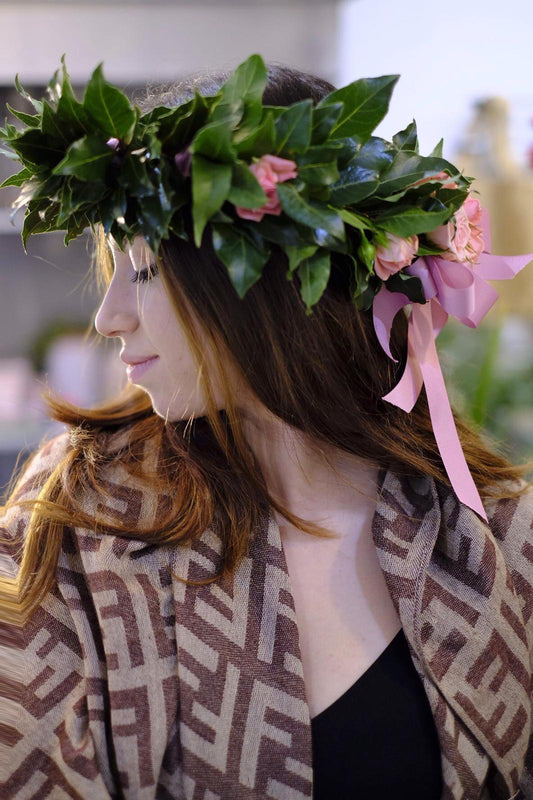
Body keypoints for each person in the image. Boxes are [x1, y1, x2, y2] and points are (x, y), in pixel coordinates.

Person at [1, 54, 533, 800]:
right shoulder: (76, 517)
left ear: (274, 284)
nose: (108, 315)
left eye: (146, 270)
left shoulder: (492, 535)